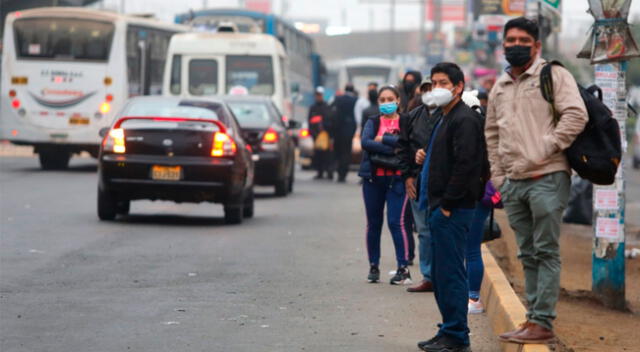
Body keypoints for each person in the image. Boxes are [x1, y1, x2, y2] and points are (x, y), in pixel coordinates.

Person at [486, 17, 587, 344]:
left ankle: (542, 321)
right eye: (509, 40)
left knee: (545, 251)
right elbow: (491, 133)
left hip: (547, 177)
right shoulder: (499, 87)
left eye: (522, 40)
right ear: (503, 46)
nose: (515, 45)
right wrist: (498, 176)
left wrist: (545, 147)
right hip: (513, 182)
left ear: (536, 46)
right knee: (527, 253)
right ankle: (532, 320)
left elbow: (576, 114)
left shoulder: (553, 75)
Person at [416, 63, 488, 352]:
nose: (437, 88)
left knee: (451, 274)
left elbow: (466, 165)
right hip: (438, 207)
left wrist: (447, 205)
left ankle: (457, 336)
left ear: (458, 86)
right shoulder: (444, 117)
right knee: (442, 276)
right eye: (433, 83)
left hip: (452, 209)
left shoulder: (465, 119)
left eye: (443, 83)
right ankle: (448, 329)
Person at [359, 85, 412, 285]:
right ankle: (374, 266)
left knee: (396, 222)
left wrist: (385, 140)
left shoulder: (406, 121)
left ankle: (403, 268)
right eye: (382, 100)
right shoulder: (372, 121)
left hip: (398, 179)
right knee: (373, 223)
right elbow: (366, 143)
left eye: (390, 99)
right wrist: (393, 148)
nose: (386, 103)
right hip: (373, 179)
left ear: (398, 100)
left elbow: (406, 145)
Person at [397, 77, 440, 293]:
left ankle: (444, 275)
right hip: (417, 180)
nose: (430, 93)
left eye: (433, 88)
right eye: (425, 89)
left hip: (443, 181)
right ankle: (428, 276)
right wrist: (408, 176)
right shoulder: (411, 118)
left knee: (442, 229)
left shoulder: (450, 116)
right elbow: (402, 149)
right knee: (423, 230)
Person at [331, 84, 359, 182]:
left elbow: (332, 113)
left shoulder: (338, 99)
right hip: (349, 131)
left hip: (337, 130)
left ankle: (338, 171)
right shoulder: (356, 100)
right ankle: (343, 173)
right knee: (346, 152)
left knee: (338, 151)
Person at [308, 86, 334, 180]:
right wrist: (313, 134)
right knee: (318, 154)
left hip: (326, 135)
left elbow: (330, 120)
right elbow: (310, 122)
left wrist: (328, 133)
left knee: (327, 154)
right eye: (317, 95)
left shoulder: (326, 107)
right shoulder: (313, 107)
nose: (318, 97)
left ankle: (329, 172)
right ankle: (320, 172)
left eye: (320, 95)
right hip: (316, 135)